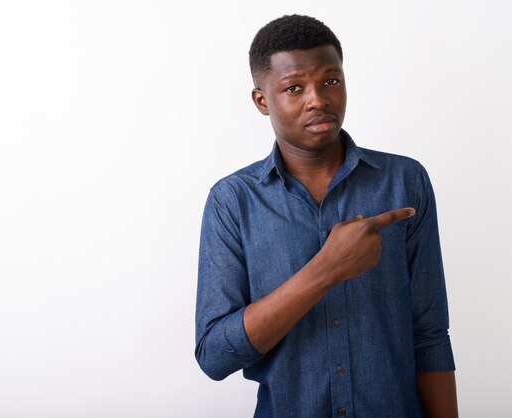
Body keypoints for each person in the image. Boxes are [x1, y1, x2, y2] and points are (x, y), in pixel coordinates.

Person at [195, 14, 458, 418]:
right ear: (262, 100)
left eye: (330, 81)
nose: (317, 99)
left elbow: (430, 336)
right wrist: (326, 270)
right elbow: (214, 355)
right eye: (294, 87)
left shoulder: (404, 183)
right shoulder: (232, 201)